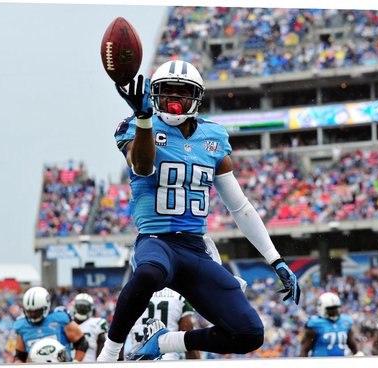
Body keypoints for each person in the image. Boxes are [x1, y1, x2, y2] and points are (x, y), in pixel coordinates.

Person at [96, 59, 300, 362]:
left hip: (194, 248)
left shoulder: (214, 138)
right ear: (154, 94)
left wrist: (276, 259)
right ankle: (109, 355)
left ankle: (166, 342)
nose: (175, 101)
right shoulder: (138, 125)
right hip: (156, 240)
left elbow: (240, 206)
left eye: (182, 93)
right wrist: (143, 118)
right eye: (167, 92)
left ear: (197, 99)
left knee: (250, 333)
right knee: (149, 273)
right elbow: (142, 165)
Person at [12, 286, 89, 363]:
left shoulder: (60, 319)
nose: (32, 315)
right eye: (29, 312)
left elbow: (82, 343)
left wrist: (75, 362)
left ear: (46, 307)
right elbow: (20, 356)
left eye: (36, 312)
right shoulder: (22, 326)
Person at [128, 287, 200, 360]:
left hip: (137, 359)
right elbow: (186, 332)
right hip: (168, 359)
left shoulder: (131, 295)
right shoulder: (179, 296)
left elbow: (118, 336)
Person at [300, 292, 362, 357]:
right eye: (331, 309)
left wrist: (358, 354)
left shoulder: (345, 321)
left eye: (336, 308)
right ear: (321, 308)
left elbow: (352, 345)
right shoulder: (315, 324)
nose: (334, 311)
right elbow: (304, 350)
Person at [71, 293, 112, 362]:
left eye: (85, 307)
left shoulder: (97, 323)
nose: (82, 309)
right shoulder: (67, 323)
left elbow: (102, 349)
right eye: (80, 306)